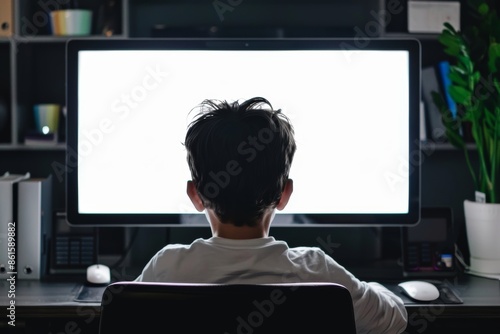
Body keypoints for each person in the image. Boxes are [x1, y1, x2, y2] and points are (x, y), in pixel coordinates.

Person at [135, 97, 408, 333]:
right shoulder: (317, 272)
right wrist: (376, 287)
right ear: (285, 194)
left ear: (194, 195)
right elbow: (394, 321)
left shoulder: (167, 269)